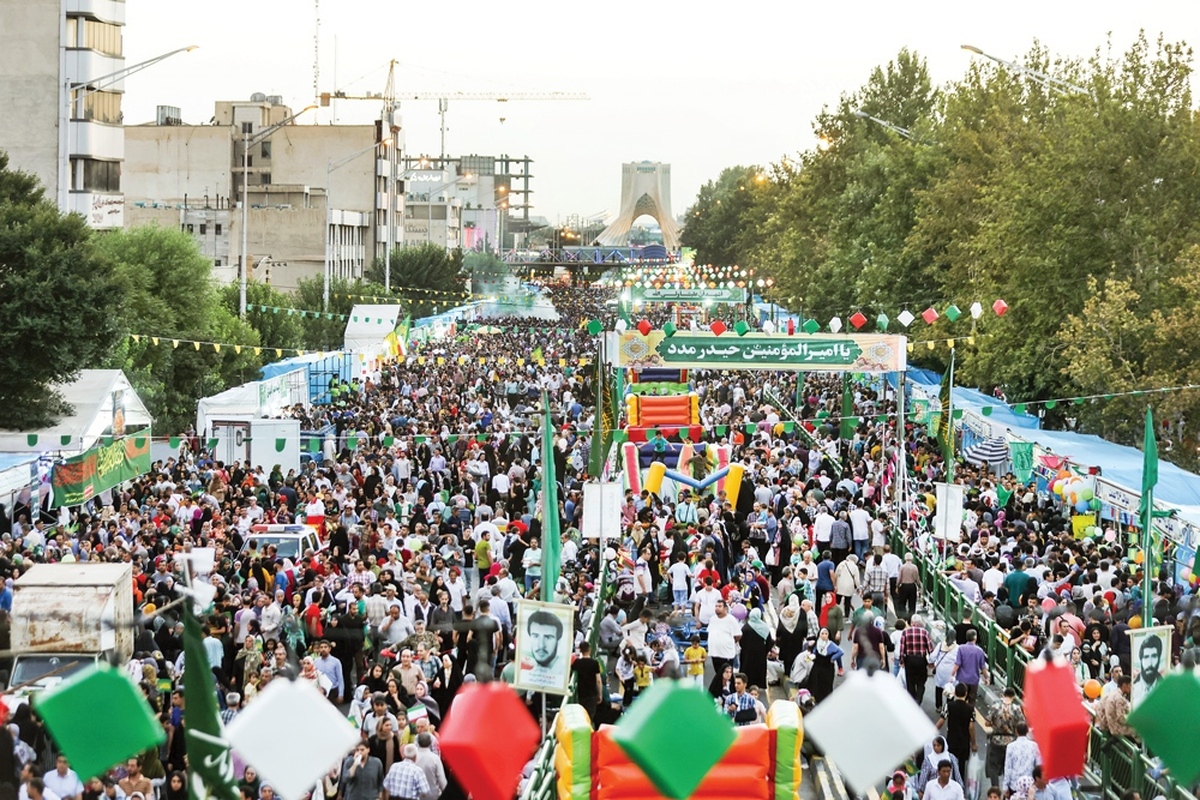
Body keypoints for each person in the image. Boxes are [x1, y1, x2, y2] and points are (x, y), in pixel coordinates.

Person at [983, 688, 1025, 784]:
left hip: (996, 739)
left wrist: (995, 724)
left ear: (1003, 695)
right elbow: (1022, 724)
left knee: (993, 766)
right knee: (1009, 766)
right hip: (1011, 740)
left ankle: (995, 789)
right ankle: (1008, 790)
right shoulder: (1016, 708)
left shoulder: (995, 706)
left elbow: (986, 722)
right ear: (1013, 697)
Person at [937, 683, 976, 777]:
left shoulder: (948, 706)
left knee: (950, 764)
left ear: (954, 693)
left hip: (951, 739)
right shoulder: (971, 709)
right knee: (961, 765)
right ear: (966, 693)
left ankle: (950, 781)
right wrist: (973, 743)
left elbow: (941, 721)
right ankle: (960, 785)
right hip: (964, 741)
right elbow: (971, 727)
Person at [899, 614, 935, 703]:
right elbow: (930, 649)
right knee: (921, 682)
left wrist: (902, 661)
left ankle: (912, 700)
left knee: (910, 682)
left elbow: (902, 649)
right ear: (920, 623)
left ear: (911, 623)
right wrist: (932, 662)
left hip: (909, 660)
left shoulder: (905, 633)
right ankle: (918, 699)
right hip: (921, 660)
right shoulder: (925, 633)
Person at [950, 630, 989, 706]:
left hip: (962, 679)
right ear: (975, 638)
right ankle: (970, 714)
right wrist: (986, 678)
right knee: (972, 699)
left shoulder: (961, 648)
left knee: (961, 699)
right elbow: (983, 667)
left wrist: (952, 674)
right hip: (974, 680)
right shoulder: (980, 651)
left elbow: (957, 663)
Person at [739, 608, 774, 689]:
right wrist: (765, 651)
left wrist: (745, 649)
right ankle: (759, 684)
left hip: (747, 654)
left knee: (747, 668)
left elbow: (741, 641)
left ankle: (746, 683)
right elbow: (769, 642)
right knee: (758, 669)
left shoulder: (745, 627)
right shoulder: (764, 627)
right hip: (760, 654)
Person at [706, 600, 742, 678]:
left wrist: (730, 642)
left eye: (719, 606)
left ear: (725, 608)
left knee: (727, 676)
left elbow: (738, 635)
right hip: (714, 652)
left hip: (726, 654)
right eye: (716, 606)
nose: (717, 608)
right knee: (718, 675)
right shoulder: (712, 619)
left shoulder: (731, 620)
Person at [1002, 724, 1041, 795]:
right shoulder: (1034, 746)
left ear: (1016, 731)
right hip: (1030, 783)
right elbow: (1039, 764)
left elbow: (1008, 767)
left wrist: (1005, 786)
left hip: (1014, 783)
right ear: (1027, 731)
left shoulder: (1010, 746)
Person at [808, 628, 844, 704]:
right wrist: (812, 656)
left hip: (827, 668)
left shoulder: (831, 644)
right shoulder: (818, 643)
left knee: (826, 685)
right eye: (822, 634)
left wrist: (832, 658)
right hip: (817, 666)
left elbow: (840, 652)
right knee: (816, 683)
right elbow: (815, 651)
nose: (824, 636)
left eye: (826, 634)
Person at [1131, 631, 1164, 706]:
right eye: (1146, 657)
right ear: (1141, 659)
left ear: (1159, 658)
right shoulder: (1133, 686)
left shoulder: (1165, 686)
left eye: (1154, 656)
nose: (1150, 663)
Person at [413, 733, 446, 800]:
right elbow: (441, 779)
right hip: (432, 795)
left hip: (416, 794)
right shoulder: (435, 758)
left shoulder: (413, 757)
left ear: (418, 742)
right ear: (430, 743)